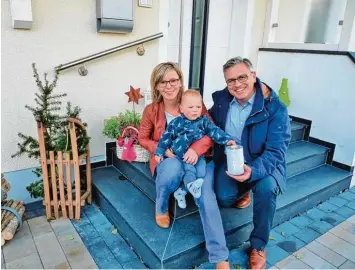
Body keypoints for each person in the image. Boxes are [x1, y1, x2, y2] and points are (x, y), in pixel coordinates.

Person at [139, 62, 230, 269]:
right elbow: (142, 138)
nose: (169, 85)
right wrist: (160, 148)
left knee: (206, 195)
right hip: (168, 159)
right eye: (163, 82)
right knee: (173, 169)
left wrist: (196, 149)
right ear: (157, 85)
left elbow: (210, 131)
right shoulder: (151, 110)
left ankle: (220, 256)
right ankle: (161, 205)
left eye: (173, 80)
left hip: (196, 159)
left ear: (180, 81)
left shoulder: (194, 102)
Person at [209, 57, 291, 269]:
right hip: (231, 160)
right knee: (224, 198)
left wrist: (253, 171)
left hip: (262, 162)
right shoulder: (221, 101)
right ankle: (244, 192)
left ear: (253, 76)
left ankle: (258, 246)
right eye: (231, 80)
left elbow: (276, 151)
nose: (237, 84)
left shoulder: (275, 109)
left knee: (266, 189)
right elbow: (206, 123)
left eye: (242, 77)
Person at [155, 90, 235, 200]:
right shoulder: (176, 123)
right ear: (182, 109)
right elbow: (166, 137)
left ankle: (182, 191)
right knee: (190, 171)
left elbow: (214, 131)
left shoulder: (204, 121)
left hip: (198, 155)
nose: (195, 110)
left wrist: (227, 140)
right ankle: (188, 187)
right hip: (182, 155)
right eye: (191, 107)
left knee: (201, 172)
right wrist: (160, 151)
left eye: (198, 107)